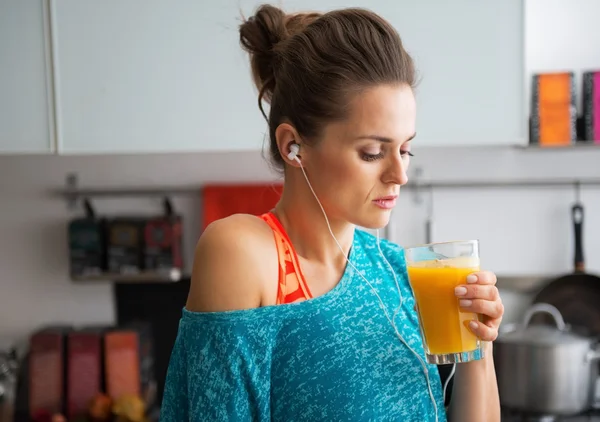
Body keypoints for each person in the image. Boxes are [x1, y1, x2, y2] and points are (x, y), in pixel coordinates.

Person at [160, 4, 504, 422]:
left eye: (405, 149)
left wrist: (478, 346)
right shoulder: (245, 254)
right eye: (372, 152)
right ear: (293, 145)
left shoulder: (398, 274)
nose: (400, 174)